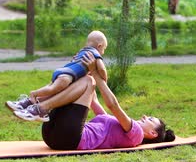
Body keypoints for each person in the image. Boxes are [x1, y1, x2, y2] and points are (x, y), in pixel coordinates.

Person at [15, 53, 176, 150]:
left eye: (150, 119)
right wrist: (82, 66)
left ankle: (40, 106)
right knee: (85, 80)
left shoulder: (136, 134)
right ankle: (33, 103)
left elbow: (113, 105)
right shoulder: (118, 128)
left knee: (89, 82)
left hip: (68, 138)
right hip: (55, 135)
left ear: (152, 133)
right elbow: (93, 100)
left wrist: (96, 76)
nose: (145, 116)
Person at [6, 30, 109, 121]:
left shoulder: (82, 51)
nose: (103, 52)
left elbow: (79, 66)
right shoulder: (95, 53)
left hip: (63, 71)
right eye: (104, 49)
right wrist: (104, 78)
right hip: (67, 76)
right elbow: (102, 68)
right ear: (99, 46)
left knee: (51, 88)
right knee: (53, 89)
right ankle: (34, 96)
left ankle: (26, 104)